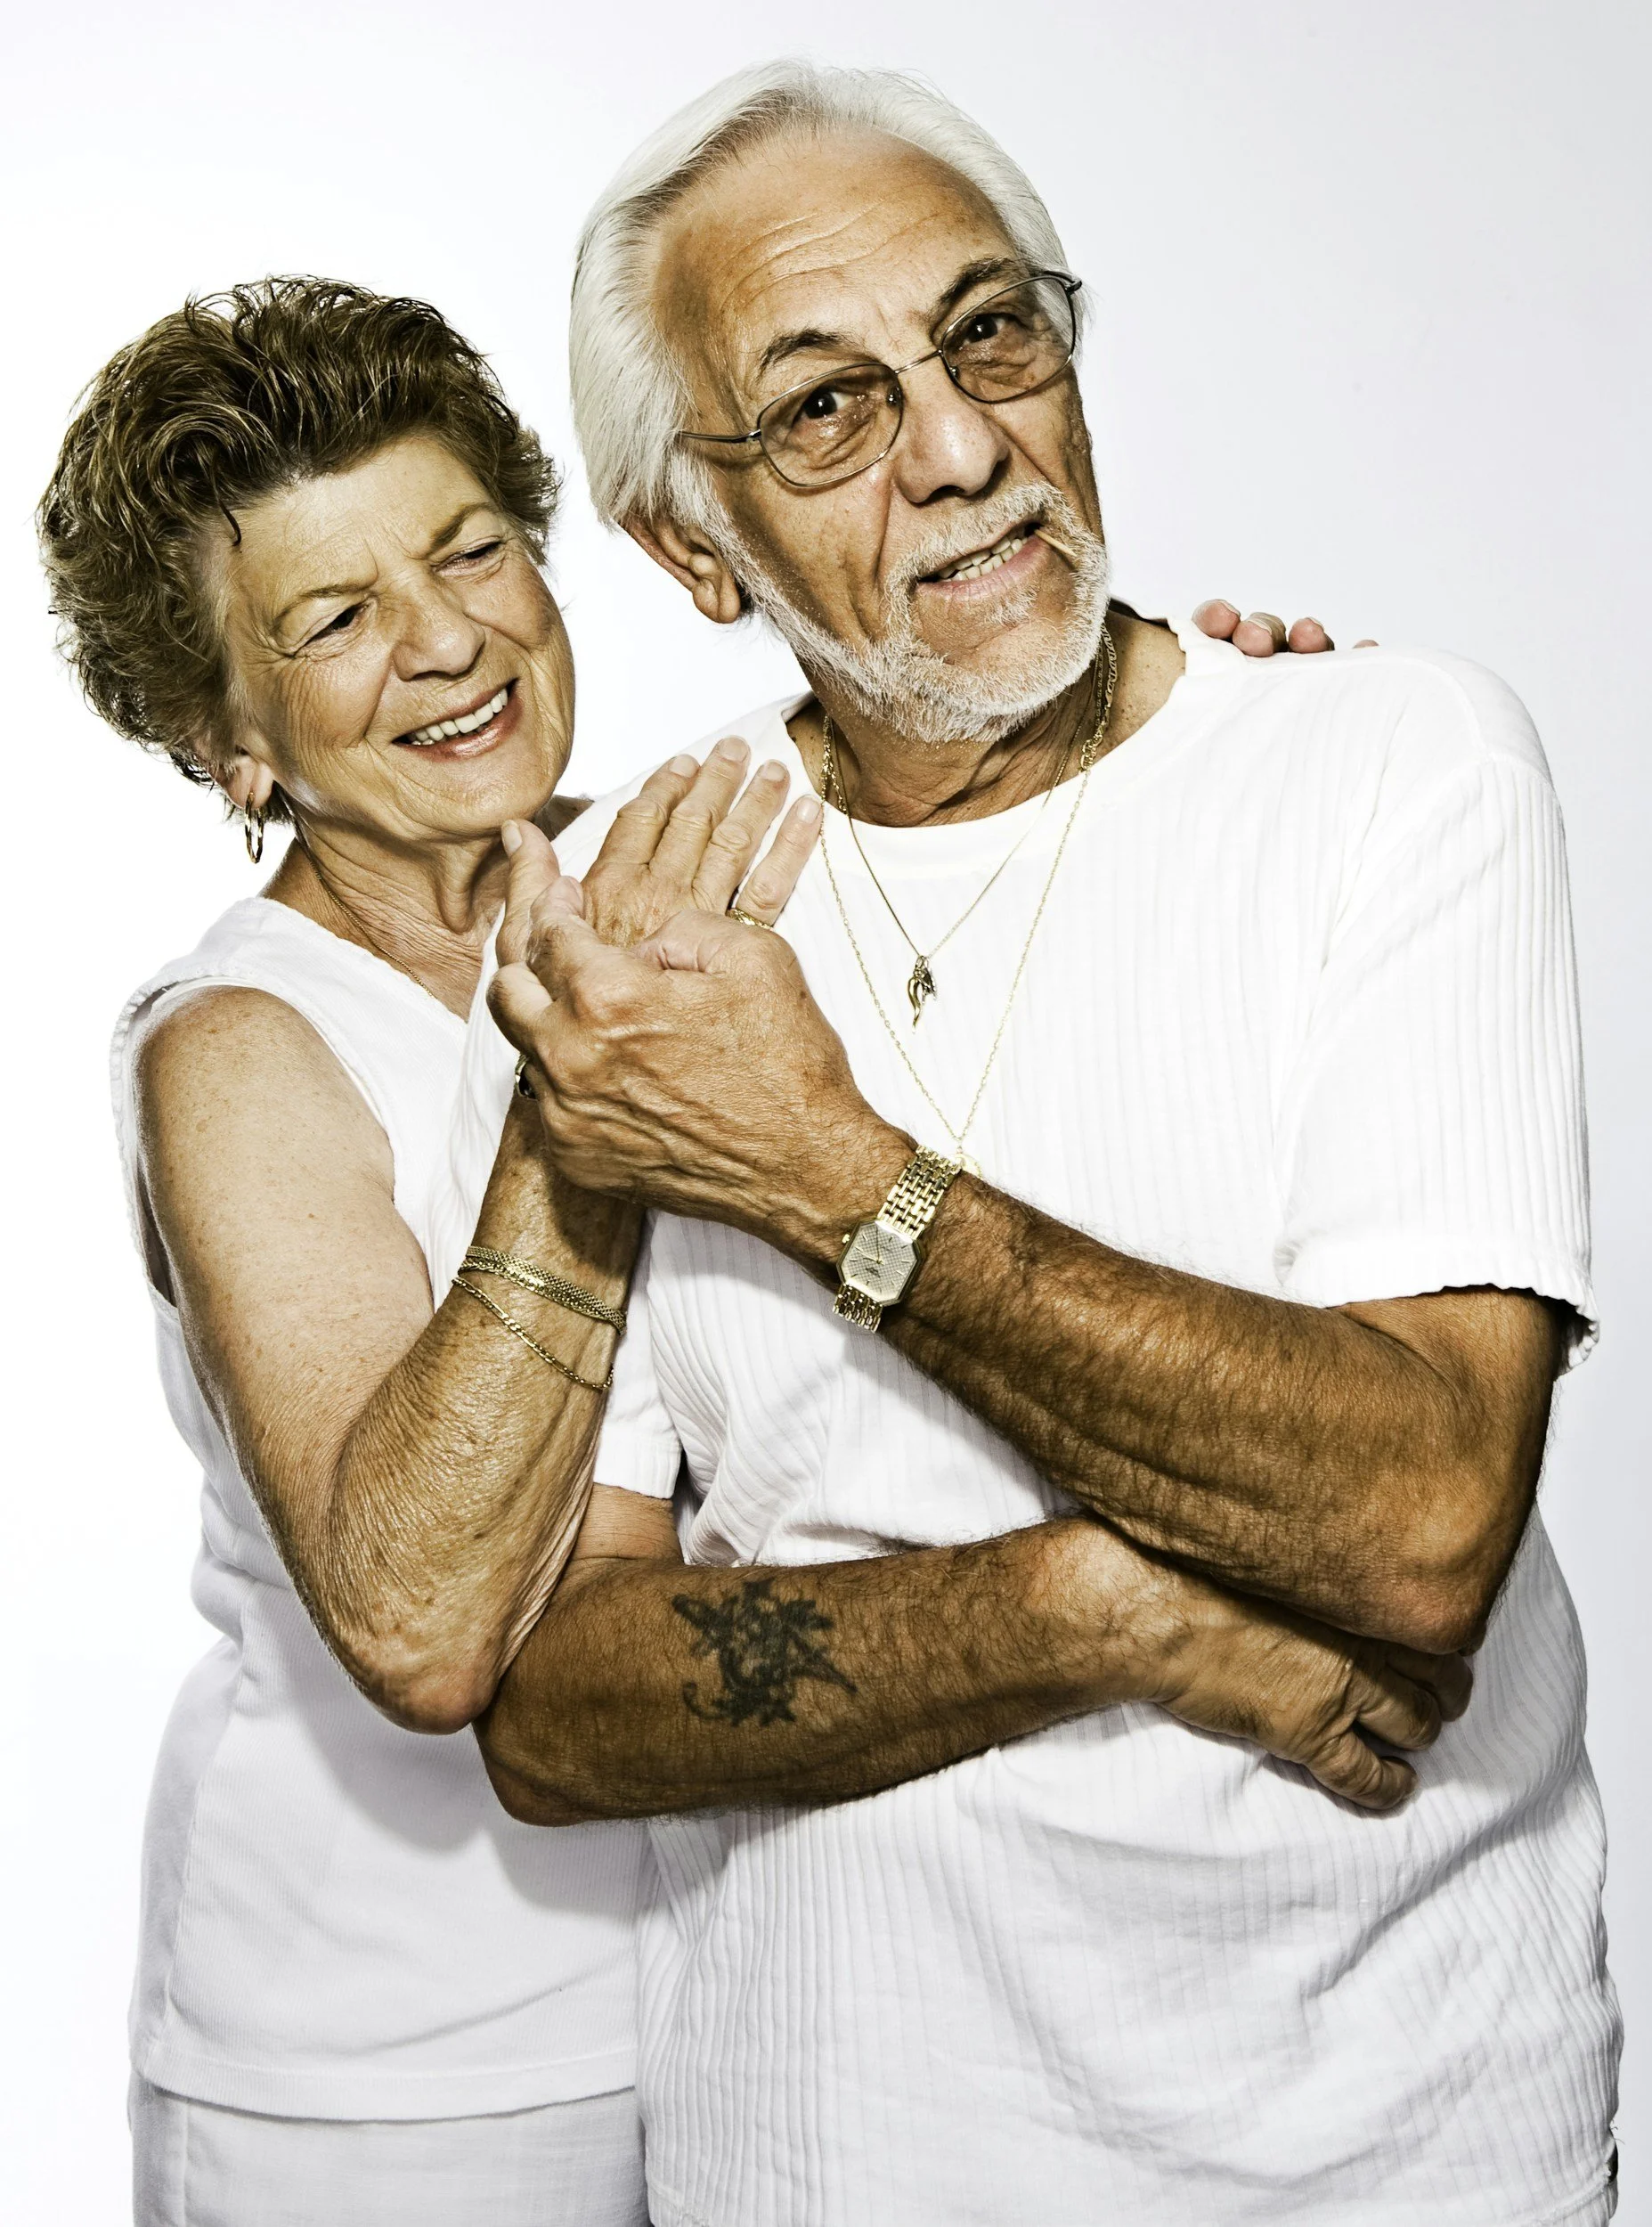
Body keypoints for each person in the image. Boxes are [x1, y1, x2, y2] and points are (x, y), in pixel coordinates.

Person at [40, 277, 1333, 2222]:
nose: (446, 638)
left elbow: (1026, 934)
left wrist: (1210, 737)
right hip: (395, 2081)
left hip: (782, 1988)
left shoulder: (687, 858)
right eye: (332, 618)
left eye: (468, 548)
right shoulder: (239, 1047)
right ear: (226, 733)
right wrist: (586, 1107)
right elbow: (423, 1623)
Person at [473, 61, 1622, 2227]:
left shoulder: (1391, 762)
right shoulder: (623, 924)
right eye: (824, 405)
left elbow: (1418, 1518)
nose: (963, 443)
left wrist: (820, 1168)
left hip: (1398, 2159)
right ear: (688, 546)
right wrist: (1099, 1603)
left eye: (993, 328)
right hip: (833, 2156)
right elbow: (554, 1705)